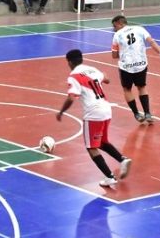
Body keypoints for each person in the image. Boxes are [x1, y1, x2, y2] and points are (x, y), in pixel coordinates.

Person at [56, 49, 132, 187]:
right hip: (106, 109)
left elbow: (72, 97)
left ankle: (109, 177)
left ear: (70, 62)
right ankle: (122, 160)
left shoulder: (73, 76)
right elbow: (107, 79)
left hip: (93, 113)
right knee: (102, 141)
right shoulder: (92, 69)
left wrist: (61, 112)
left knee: (91, 147)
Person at [111, 15, 160, 124]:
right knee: (142, 87)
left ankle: (137, 114)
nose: (114, 29)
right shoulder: (140, 29)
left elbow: (114, 55)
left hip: (126, 66)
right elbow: (151, 42)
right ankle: (147, 113)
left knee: (127, 89)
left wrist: (124, 53)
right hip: (141, 63)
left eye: (114, 26)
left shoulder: (117, 35)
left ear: (120, 23)